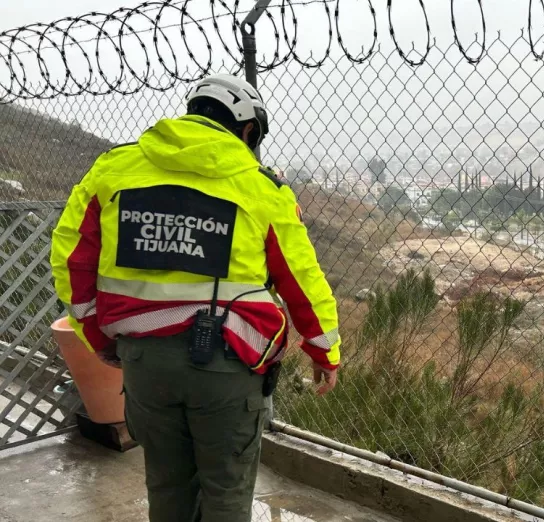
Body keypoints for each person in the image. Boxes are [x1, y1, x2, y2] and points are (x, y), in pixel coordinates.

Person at [50, 73, 340, 522]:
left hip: (144, 362)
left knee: (167, 485)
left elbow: (71, 263)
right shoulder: (263, 189)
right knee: (226, 491)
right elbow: (302, 280)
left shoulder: (112, 170)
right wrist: (325, 352)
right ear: (248, 130)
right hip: (228, 368)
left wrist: (100, 340)